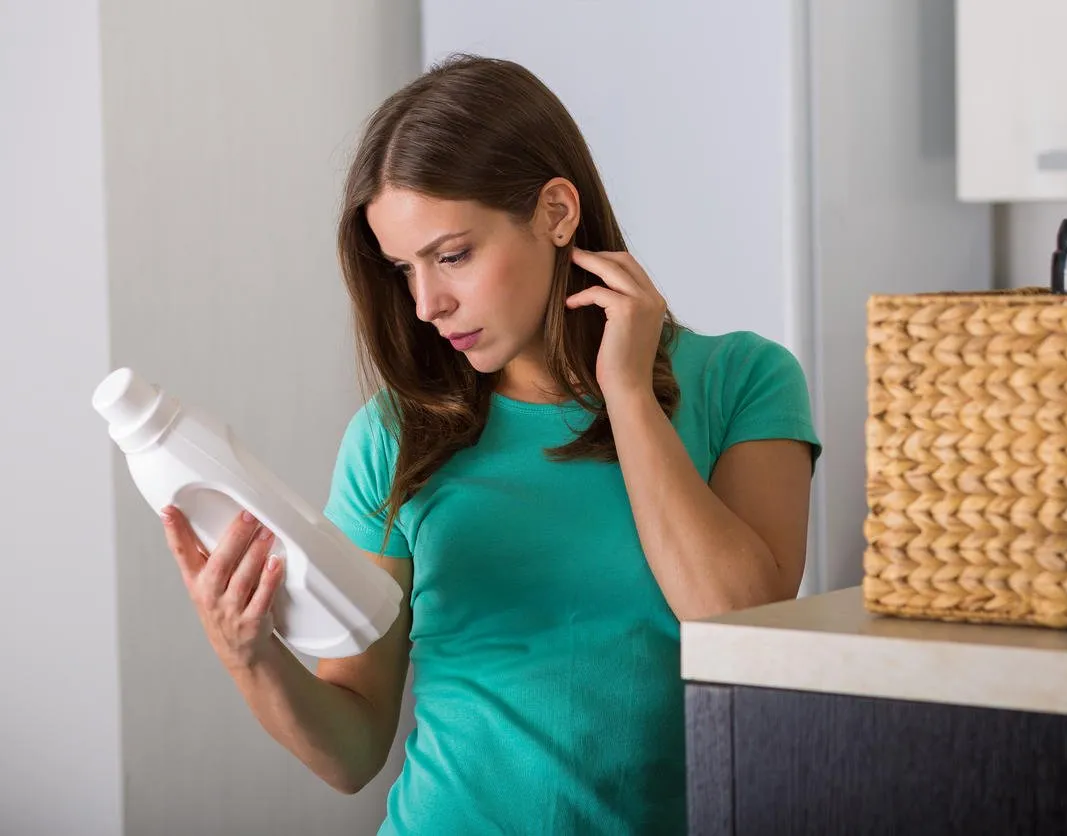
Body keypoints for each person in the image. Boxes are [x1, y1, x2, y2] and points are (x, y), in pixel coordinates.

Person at [158, 53, 821, 835]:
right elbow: (352, 752)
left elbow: (740, 623)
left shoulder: (744, 380)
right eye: (404, 268)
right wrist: (250, 656)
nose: (427, 303)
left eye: (452, 255)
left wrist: (629, 394)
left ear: (556, 212)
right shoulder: (393, 438)